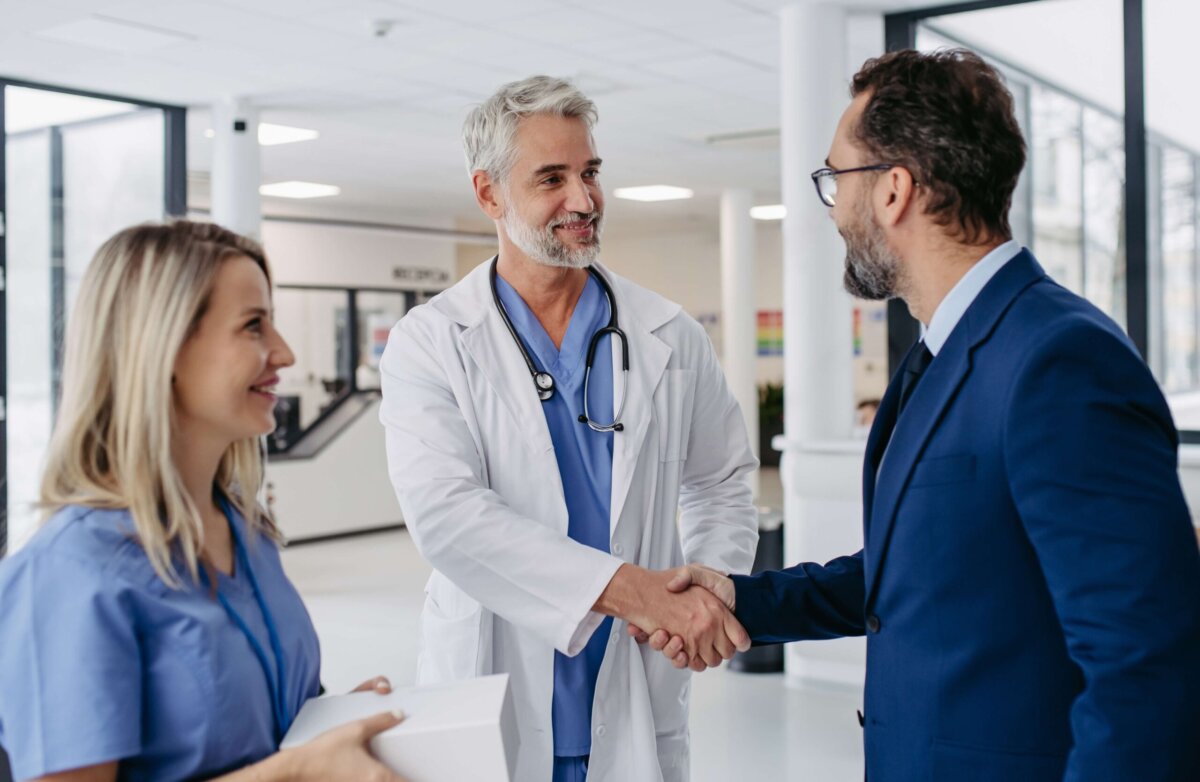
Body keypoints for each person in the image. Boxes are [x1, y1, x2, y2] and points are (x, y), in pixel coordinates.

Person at [645, 49, 1200, 781]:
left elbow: (1146, 662)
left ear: (893, 191)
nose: (834, 210)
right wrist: (746, 599)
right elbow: (934, 568)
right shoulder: (943, 351)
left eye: (836, 180)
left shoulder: (1059, 362)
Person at [379, 75, 757, 782]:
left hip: (635, 676)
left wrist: (707, 587)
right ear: (488, 194)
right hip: (498, 680)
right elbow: (446, 517)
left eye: (590, 174)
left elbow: (721, 480)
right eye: (552, 178)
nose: (583, 201)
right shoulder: (430, 342)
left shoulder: (667, 335)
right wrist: (636, 594)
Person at [0, 221, 407, 782]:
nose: (284, 353)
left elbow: (266, 731)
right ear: (162, 347)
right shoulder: (68, 574)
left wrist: (331, 730)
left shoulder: (246, 531)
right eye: (253, 326)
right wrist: (292, 773)